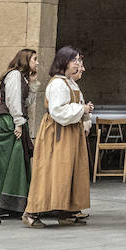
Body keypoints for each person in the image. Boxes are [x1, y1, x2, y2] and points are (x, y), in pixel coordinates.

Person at [23, 47, 93, 228]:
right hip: (58, 133)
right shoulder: (57, 84)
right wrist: (81, 110)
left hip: (70, 131)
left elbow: (76, 104)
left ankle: (65, 209)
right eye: (74, 60)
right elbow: (58, 111)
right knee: (51, 171)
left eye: (79, 60)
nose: (78, 64)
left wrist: (85, 111)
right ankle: (32, 211)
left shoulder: (69, 82)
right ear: (64, 62)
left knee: (68, 171)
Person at [0, 47, 36, 217]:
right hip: (10, 121)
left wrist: (33, 82)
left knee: (15, 163)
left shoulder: (22, 77)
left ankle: (11, 203)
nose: (36, 63)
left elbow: (27, 101)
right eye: (34, 59)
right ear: (25, 60)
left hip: (16, 120)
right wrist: (18, 122)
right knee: (6, 162)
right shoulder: (14, 75)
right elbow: (13, 100)